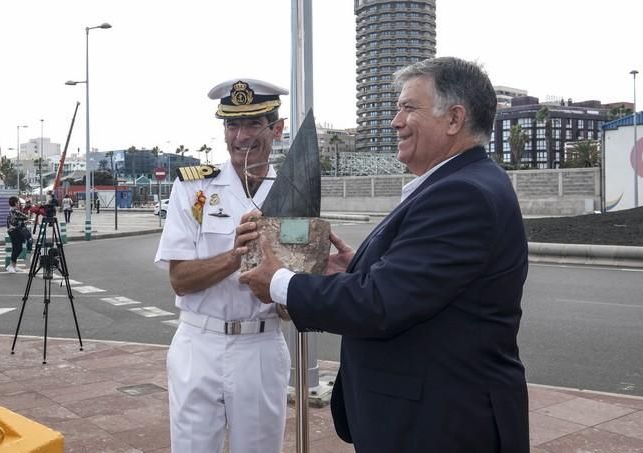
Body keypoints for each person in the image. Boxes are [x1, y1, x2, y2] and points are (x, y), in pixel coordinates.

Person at [239, 57, 530, 453]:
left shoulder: (462, 194)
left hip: (441, 426)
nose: (395, 121)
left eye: (409, 108)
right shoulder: (458, 183)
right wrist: (356, 267)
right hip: (433, 417)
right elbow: (415, 283)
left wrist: (279, 283)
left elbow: (381, 304)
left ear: (454, 119)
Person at [154, 78, 290, 453]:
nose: (240, 136)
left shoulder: (292, 193)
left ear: (276, 129)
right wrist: (235, 255)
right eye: (232, 125)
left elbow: (290, 307)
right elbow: (180, 280)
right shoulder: (193, 188)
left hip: (260, 344)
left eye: (253, 124)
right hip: (199, 343)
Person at [6, 196, 29, 273]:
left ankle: (13, 265)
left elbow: (17, 219)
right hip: (14, 231)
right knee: (18, 248)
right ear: (15, 203)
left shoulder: (11, 210)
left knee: (16, 247)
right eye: (18, 202)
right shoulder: (15, 210)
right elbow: (25, 217)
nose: (19, 203)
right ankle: (12, 265)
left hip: (11, 230)